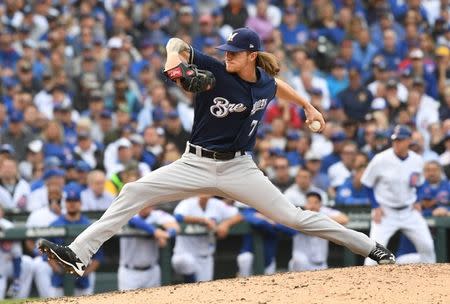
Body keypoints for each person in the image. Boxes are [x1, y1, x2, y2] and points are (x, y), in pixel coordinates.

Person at [39, 27, 394, 277]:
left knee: (295, 217)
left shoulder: (263, 82)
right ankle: (79, 255)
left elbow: (276, 85)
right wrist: (174, 67)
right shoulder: (215, 69)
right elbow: (176, 43)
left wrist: (308, 106)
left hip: (240, 169)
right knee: (132, 192)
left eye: (235, 53)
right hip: (195, 162)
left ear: (252, 55)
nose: (228, 57)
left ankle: (369, 247)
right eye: (227, 51)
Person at [361, 125, 436, 265]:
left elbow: (420, 184)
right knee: (373, 253)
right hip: (386, 212)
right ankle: (367, 285)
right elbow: (366, 183)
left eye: (400, 140)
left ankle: (430, 285)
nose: (397, 143)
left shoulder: (417, 160)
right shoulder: (381, 159)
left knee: (427, 247)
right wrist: (376, 206)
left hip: (409, 211)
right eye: (395, 140)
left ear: (409, 141)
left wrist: (418, 200)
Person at [171, 195, 241, 282]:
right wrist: (203, 220)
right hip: (185, 253)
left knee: (204, 291)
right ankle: (189, 283)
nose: (205, 192)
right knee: (182, 261)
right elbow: (178, 217)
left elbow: (239, 215)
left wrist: (225, 224)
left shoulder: (217, 204)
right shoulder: (187, 202)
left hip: (206, 257)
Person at [118, 206, 179, 290]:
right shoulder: (129, 212)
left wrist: (166, 234)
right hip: (130, 272)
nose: (147, 205)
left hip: (152, 271)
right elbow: (133, 221)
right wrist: (155, 231)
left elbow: (176, 228)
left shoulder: (157, 215)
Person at [287, 191, 349, 271]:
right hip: (301, 263)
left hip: (321, 264)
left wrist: (322, 221)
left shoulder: (323, 214)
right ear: (305, 204)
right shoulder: (299, 215)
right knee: (299, 261)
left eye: (315, 203)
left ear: (320, 205)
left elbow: (344, 219)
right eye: (309, 202)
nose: (312, 206)